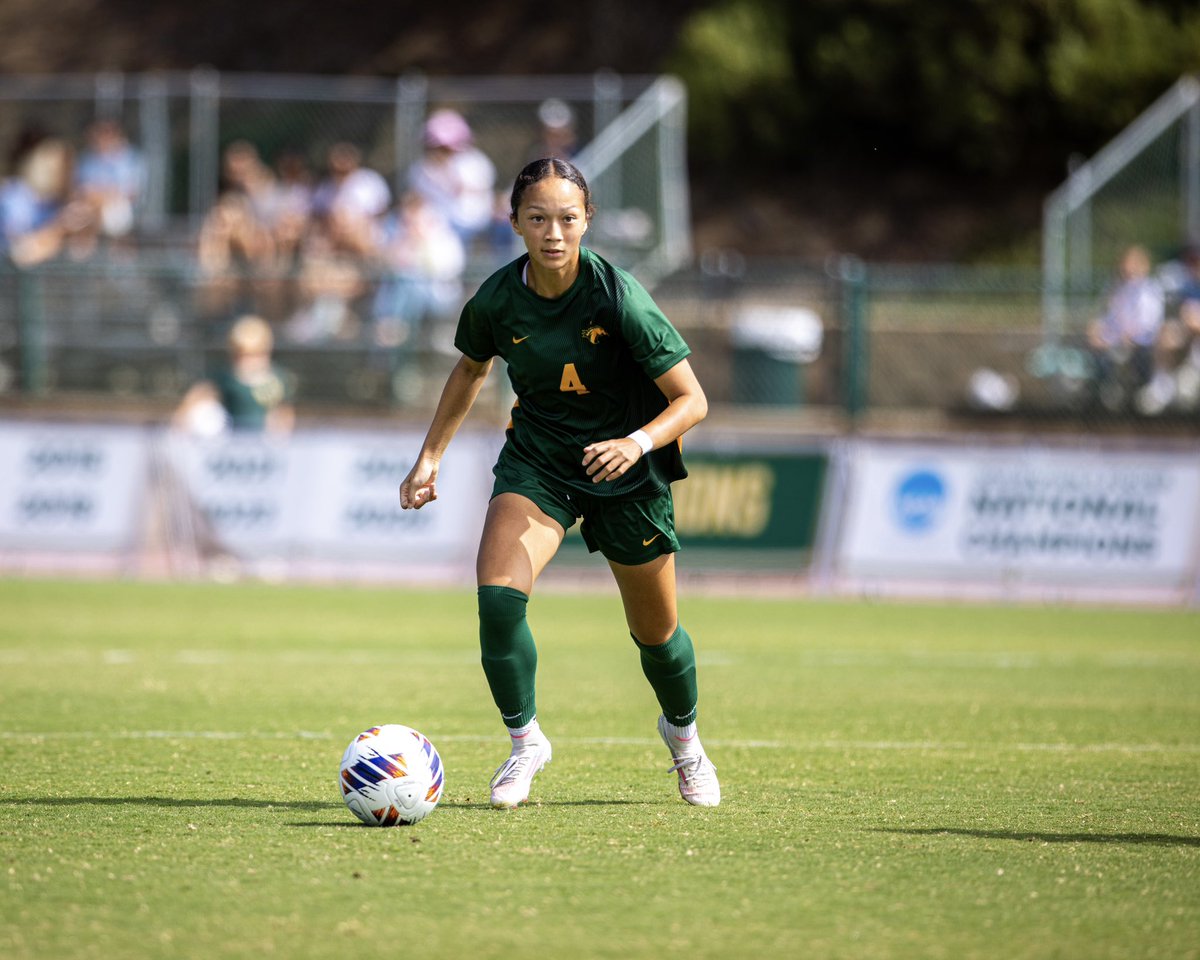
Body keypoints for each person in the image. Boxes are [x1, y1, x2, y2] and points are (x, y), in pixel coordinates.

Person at [399, 157, 720, 810]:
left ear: (587, 221)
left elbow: (692, 401)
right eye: (537, 218)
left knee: (656, 635)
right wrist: (430, 456)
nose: (552, 232)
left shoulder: (619, 295)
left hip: (626, 471)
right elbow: (469, 372)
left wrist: (634, 444)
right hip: (540, 462)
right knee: (497, 598)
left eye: (567, 218)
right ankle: (526, 743)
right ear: (513, 222)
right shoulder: (496, 298)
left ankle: (685, 742)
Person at [173, 314, 295, 436]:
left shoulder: (279, 379)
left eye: (255, 354)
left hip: (264, 445)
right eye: (241, 355)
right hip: (232, 443)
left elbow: (285, 415)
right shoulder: (225, 379)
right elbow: (198, 395)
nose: (248, 361)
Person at [1086, 244, 1164, 412]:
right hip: (1117, 341)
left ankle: (1140, 393)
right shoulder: (1116, 289)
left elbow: (1149, 324)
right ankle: (1103, 395)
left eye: (1133, 264)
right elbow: (1108, 319)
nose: (1128, 269)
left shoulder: (1150, 290)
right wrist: (1098, 332)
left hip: (1142, 344)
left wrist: (1126, 337)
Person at [406, 109, 497, 250]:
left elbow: (472, 199)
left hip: (469, 223)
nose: (438, 152)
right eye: (434, 147)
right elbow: (417, 200)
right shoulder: (420, 168)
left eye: (443, 147)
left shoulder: (473, 162)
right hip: (433, 225)